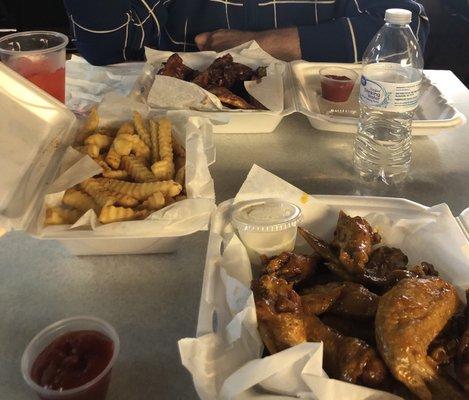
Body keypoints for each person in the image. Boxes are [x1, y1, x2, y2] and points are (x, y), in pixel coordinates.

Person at [62, 0, 429, 66]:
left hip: (330, 139)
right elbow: (111, 51)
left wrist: (260, 44)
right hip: (184, 127)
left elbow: (406, 30)